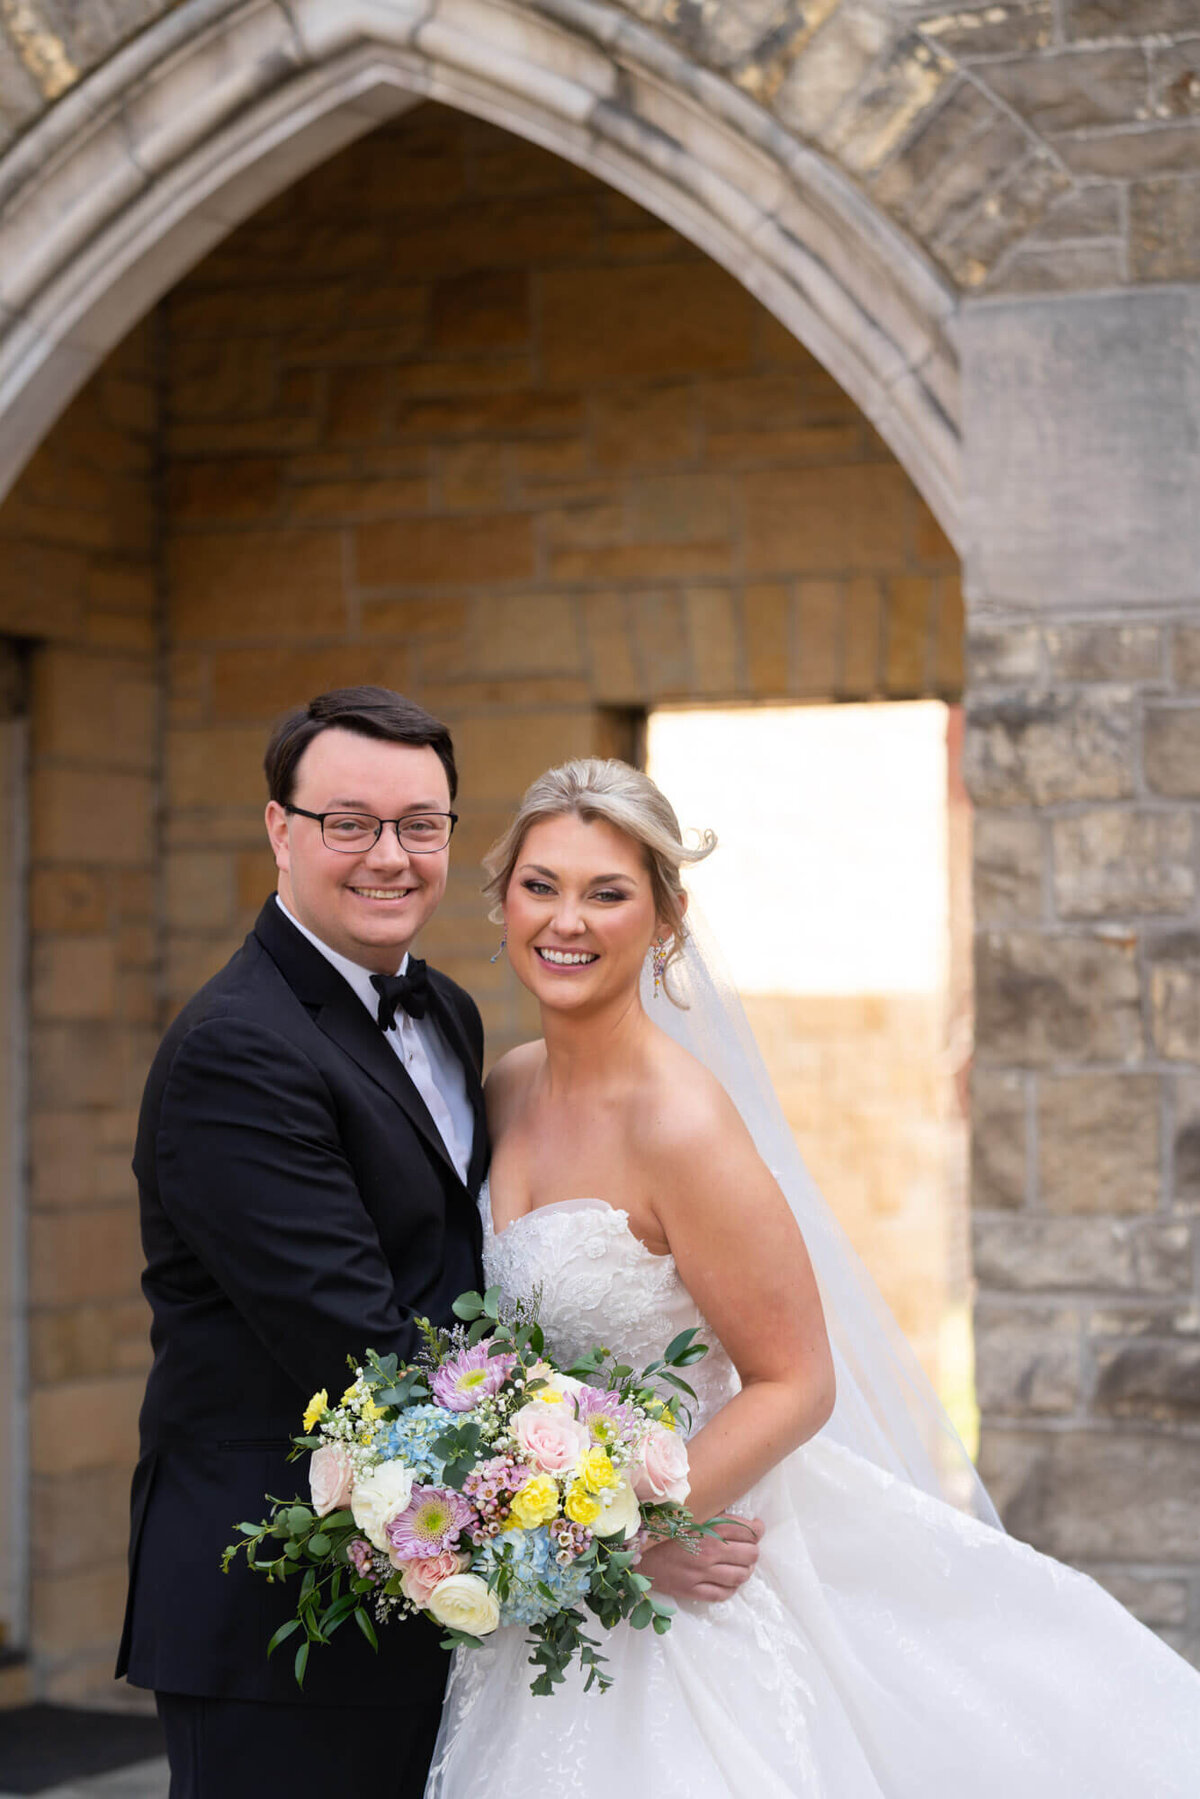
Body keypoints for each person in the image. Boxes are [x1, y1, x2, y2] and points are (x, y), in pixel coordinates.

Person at [425, 756, 1200, 1799]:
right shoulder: (508, 1083)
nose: (569, 919)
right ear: (504, 898)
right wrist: (540, 1531)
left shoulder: (681, 1123)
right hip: (542, 1585)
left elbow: (798, 1377)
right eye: (542, 884)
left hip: (677, 1578)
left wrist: (620, 1539)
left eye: (608, 891)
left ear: (664, 915)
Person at [116, 689, 759, 1799]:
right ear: (280, 829)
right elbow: (368, 1356)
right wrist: (600, 1536)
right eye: (348, 821)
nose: (390, 855)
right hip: (285, 1611)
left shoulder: (454, 1019)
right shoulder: (240, 1049)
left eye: (421, 823)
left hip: (452, 1595)